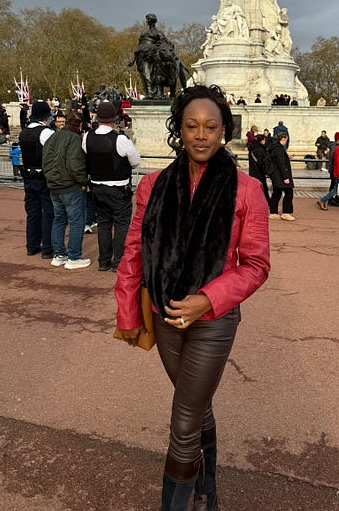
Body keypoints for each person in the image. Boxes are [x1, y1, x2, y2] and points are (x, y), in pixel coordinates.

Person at [115, 84, 270, 511]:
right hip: (164, 316)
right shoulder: (152, 185)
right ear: (179, 130)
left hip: (214, 321)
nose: (201, 135)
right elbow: (133, 253)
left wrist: (207, 298)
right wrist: (128, 312)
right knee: (197, 407)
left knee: (182, 421)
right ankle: (207, 492)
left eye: (211, 127)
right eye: (191, 126)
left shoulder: (247, 189)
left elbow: (256, 264)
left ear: (224, 132)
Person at [82, 101, 141, 272]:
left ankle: (104, 261)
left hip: (97, 187)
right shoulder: (120, 139)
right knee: (121, 225)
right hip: (117, 189)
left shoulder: (87, 137)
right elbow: (136, 161)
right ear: (114, 119)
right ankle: (118, 262)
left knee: (103, 224)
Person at [42, 113, 91, 269]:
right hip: (70, 186)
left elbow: (46, 161)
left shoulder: (52, 138)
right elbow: (75, 164)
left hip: (54, 185)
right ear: (79, 126)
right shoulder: (75, 139)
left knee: (59, 219)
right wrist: (84, 181)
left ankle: (59, 254)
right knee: (76, 222)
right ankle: (74, 257)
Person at [18, 101, 55, 257]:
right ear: (46, 117)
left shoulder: (23, 132)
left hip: (28, 175)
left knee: (32, 213)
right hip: (43, 176)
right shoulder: (47, 133)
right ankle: (47, 248)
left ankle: (32, 246)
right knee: (48, 213)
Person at [268, 132, 295, 221]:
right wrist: (285, 177)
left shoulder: (275, 148)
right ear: (283, 139)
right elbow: (281, 164)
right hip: (280, 175)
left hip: (276, 175)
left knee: (277, 193)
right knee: (288, 193)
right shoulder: (279, 149)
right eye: (286, 140)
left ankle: (273, 212)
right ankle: (286, 212)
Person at [248, 133, 271, 204]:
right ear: (261, 141)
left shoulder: (252, 148)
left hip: (252, 171)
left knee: (254, 188)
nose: (265, 141)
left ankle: (252, 202)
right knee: (263, 187)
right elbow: (261, 162)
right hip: (259, 172)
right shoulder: (260, 149)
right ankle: (267, 203)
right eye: (264, 140)